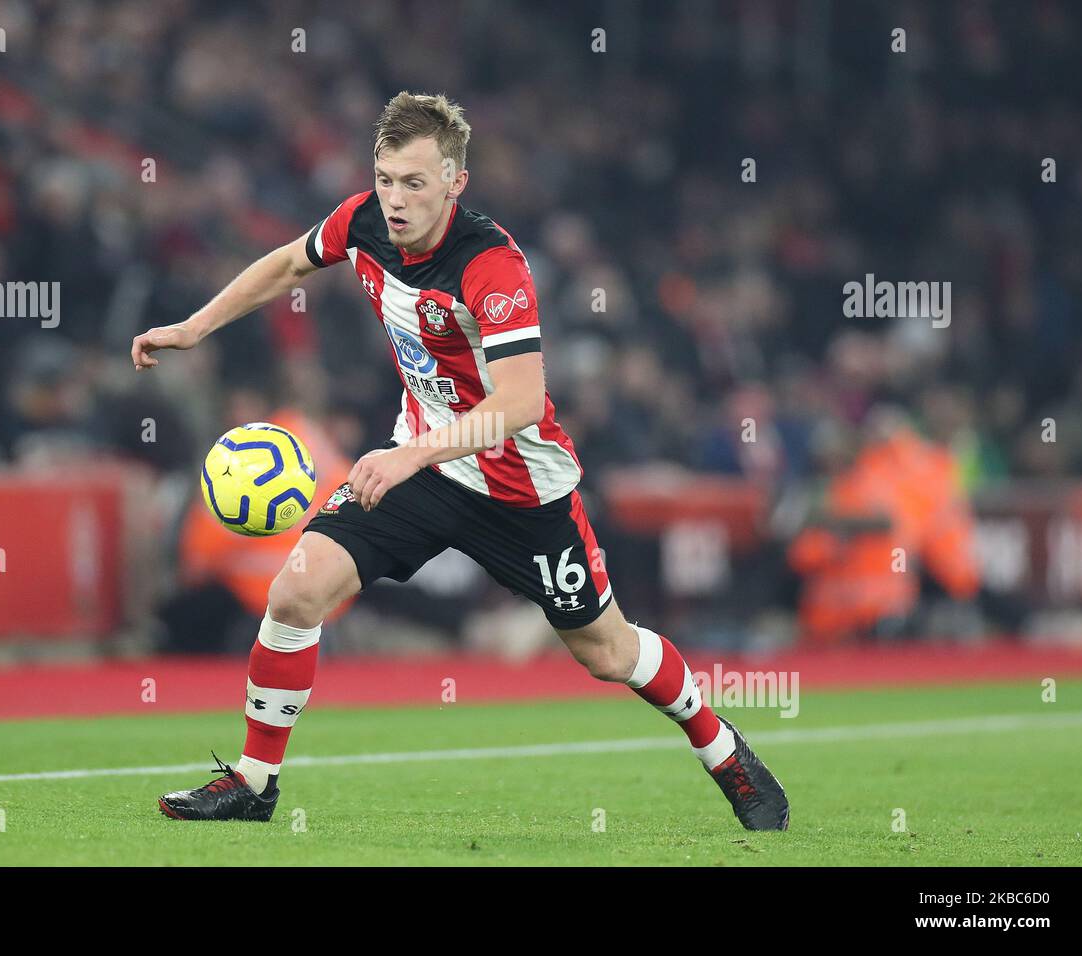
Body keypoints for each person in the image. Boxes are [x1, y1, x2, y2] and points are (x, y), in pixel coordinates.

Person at [131, 92, 788, 831]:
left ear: (455, 181)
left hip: (520, 490)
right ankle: (254, 783)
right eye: (385, 178)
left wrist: (409, 452)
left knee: (606, 651)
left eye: (415, 182)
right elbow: (289, 263)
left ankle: (720, 744)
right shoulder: (364, 222)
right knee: (296, 592)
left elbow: (520, 402)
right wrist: (195, 326)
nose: (396, 199)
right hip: (427, 471)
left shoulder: (492, 267)